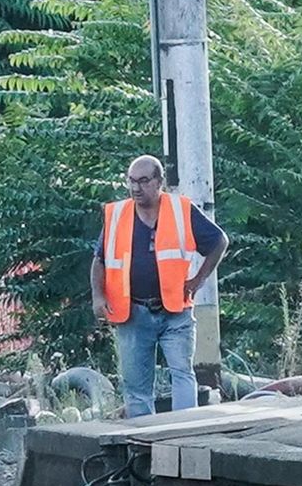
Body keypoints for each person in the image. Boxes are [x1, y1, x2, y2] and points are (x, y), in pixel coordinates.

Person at [91, 155, 229, 418]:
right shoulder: (117, 215)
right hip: (132, 313)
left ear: (159, 182)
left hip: (175, 310)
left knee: (182, 374)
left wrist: (198, 279)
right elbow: (99, 260)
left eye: (143, 181)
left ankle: (184, 437)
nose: (136, 188)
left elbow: (219, 241)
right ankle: (145, 447)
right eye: (131, 181)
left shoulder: (181, 210)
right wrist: (98, 297)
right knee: (136, 387)